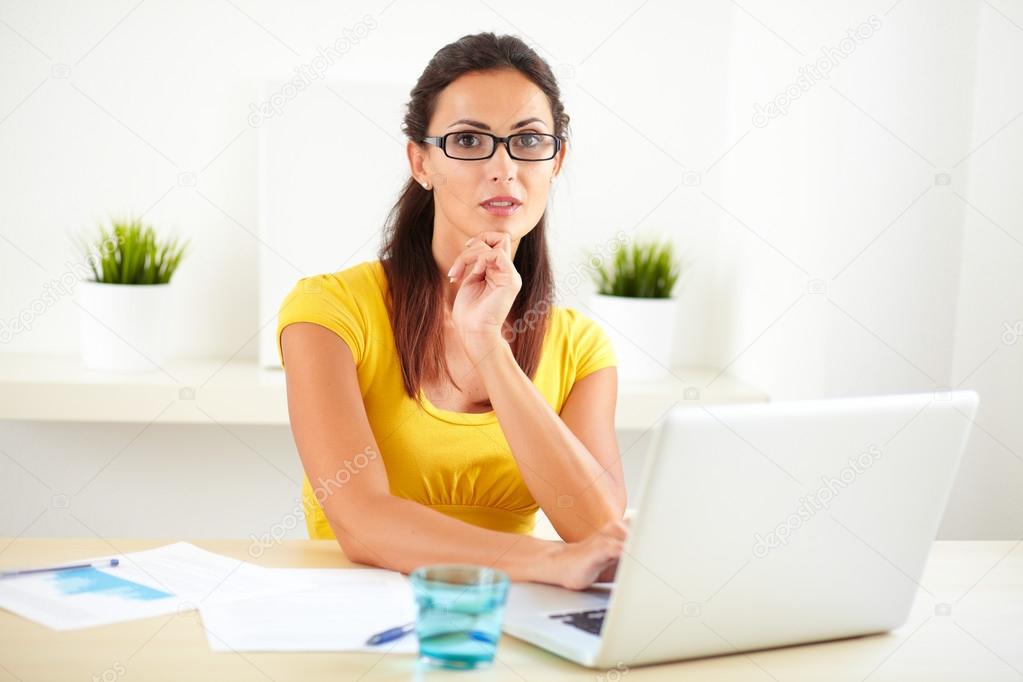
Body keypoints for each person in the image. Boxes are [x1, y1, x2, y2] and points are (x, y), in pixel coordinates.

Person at [277, 32, 627, 590]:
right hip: (352, 617)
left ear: (556, 160)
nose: (504, 168)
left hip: (508, 622)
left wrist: (490, 347)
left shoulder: (580, 346)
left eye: (528, 141)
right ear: (421, 161)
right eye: (468, 140)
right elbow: (360, 520)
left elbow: (600, 529)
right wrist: (543, 561)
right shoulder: (328, 311)